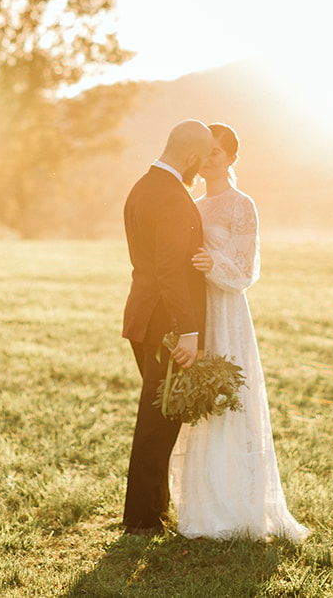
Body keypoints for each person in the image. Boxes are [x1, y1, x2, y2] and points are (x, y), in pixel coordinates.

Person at [169, 123, 309, 542]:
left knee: (230, 398)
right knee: (201, 400)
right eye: (204, 152)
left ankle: (240, 506)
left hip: (227, 307)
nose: (209, 159)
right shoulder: (192, 204)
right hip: (199, 311)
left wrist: (212, 264)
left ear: (231, 158)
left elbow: (246, 271)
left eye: (217, 152)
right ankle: (205, 504)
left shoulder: (241, 205)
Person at [120, 119, 219, 535]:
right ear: (193, 157)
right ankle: (142, 520)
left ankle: (152, 511)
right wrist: (189, 331)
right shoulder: (174, 199)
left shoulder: (143, 186)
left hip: (143, 315)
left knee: (159, 414)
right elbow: (171, 272)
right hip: (165, 323)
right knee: (160, 418)